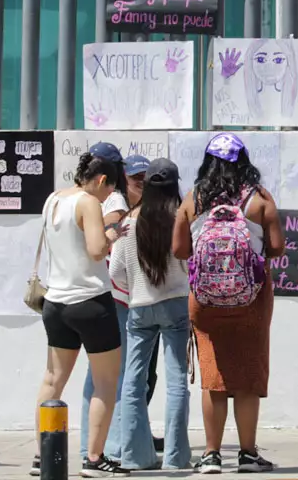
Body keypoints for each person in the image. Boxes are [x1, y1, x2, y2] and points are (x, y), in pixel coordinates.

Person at [172, 133, 285, 474]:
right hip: (251, 299)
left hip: (205, 302)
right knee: (249, 373)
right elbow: (277, 247)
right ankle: (248, 454)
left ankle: (210, 454)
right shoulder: (259, 199)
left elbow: (179, 250)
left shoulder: (194, 199)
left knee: (213, 376)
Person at [35, 145, 130, 478]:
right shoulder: (89, 203)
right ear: (102, 179)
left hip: (56, 302)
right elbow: (95, 251)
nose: (109, 196)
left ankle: (43, 454)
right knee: (106, 382)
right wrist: (113, 233)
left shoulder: (54, 199)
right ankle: (94, 458)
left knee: (53, 380)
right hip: (90, 301)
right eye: (111, 189)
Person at [110, 158, 191, 471]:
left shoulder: (129, 222)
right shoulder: (180, 217)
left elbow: (115, 270)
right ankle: (176, 457)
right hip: (176, 305)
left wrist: (136, 288)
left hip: (140, 306)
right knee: (176, 381)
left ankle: (134, 455)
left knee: (133, 381)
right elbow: (190, 262)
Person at [77, 147, 133, 464]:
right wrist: (111, 231)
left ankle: (89, 447)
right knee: (114, 376)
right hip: (112, 294)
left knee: (94, 376)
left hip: (84, 293)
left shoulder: (69, 199)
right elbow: (103, 240)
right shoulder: (114, 200)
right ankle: (109, 448)